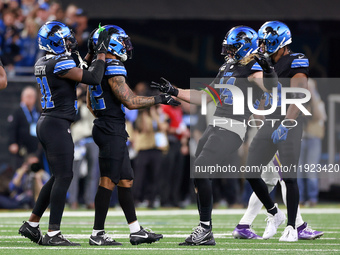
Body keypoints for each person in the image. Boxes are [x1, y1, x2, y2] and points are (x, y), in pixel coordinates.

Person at [152, 26, 278, 245]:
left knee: (202, 169)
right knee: (199, 176)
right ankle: (208, 227)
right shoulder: (229, 65)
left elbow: (271, 89)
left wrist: (270, 72)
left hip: (233, 127)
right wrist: (174, 90)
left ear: (245, 46)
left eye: (232, 48)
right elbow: (204, 97)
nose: (228, 52)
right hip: (215, 126)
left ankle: (205, 229)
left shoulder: (255, 68)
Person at [19, 20, 111, 246]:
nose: (70, 42)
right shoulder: (59, 63)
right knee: (64, 176)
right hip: (56, 124)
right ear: (54, 42)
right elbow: (92, 78)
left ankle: (31, 224)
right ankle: (53, 233)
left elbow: (80, 71)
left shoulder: (44, 61)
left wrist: (89, 55)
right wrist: (100, 55)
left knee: (59, 176)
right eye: (65, 39)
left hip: (49, 122)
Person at [87, 25, 178, 246]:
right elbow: (131, 101)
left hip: (107, 126)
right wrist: (160, 99)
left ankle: (136, 231)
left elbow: (89, 102)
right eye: (122, 41)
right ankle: (97, 234)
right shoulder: (112, 66)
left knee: (126, 179)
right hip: (111, 128)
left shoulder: (96, 65)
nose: (126, 46)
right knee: (108, 181)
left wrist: (104, 115)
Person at [244, 21, 316, 242]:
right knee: (251, 172)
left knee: (289, 177)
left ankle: (293, 227)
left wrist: (287, 123)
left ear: (280, 42)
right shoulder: (267, 62)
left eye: (266, 42)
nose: (263, 46)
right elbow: (265, 88)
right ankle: (274, 213)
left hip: (289, 124)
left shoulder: (295, 60)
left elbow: (300, 94)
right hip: (270, 122)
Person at [297, 79, 326, 207]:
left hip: (313, 138)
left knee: (310, 169)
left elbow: (319, 117)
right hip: (300, 138)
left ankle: (312, 198)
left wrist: (312, 94)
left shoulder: (318, 102)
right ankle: (299, 198)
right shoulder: (298, 101)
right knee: (298, 169)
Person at [8, 86, 40, 170]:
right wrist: (12, 142)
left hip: (35, 148)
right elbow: (12, 128)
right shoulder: (17, 111)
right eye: (27, 96)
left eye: (31, 97)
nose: (29, 99)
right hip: (21, 149)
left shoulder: (37, 111)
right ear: (22, 98)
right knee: (20, 171)